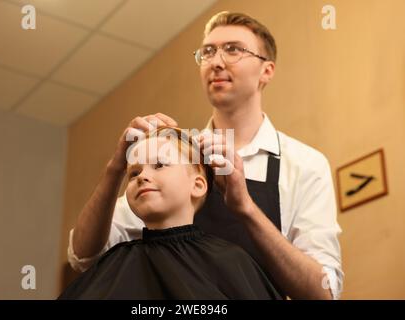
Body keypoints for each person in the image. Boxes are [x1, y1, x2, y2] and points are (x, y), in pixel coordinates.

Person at [68, 11, 343, 299]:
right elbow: (82, 256)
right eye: (208, 52)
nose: (216, 61)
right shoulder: (174, 156)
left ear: (266, 71)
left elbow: (324, 293)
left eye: (233, 49)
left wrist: (246, 209)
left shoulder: (304, 164)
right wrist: (116, 167)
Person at [59, 127, 281, 299]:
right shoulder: (115, 265)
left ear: (197, 185)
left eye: (159, 165)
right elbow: (80, 258)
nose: (142, 177)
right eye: (134, 172)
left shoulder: (232, 262)